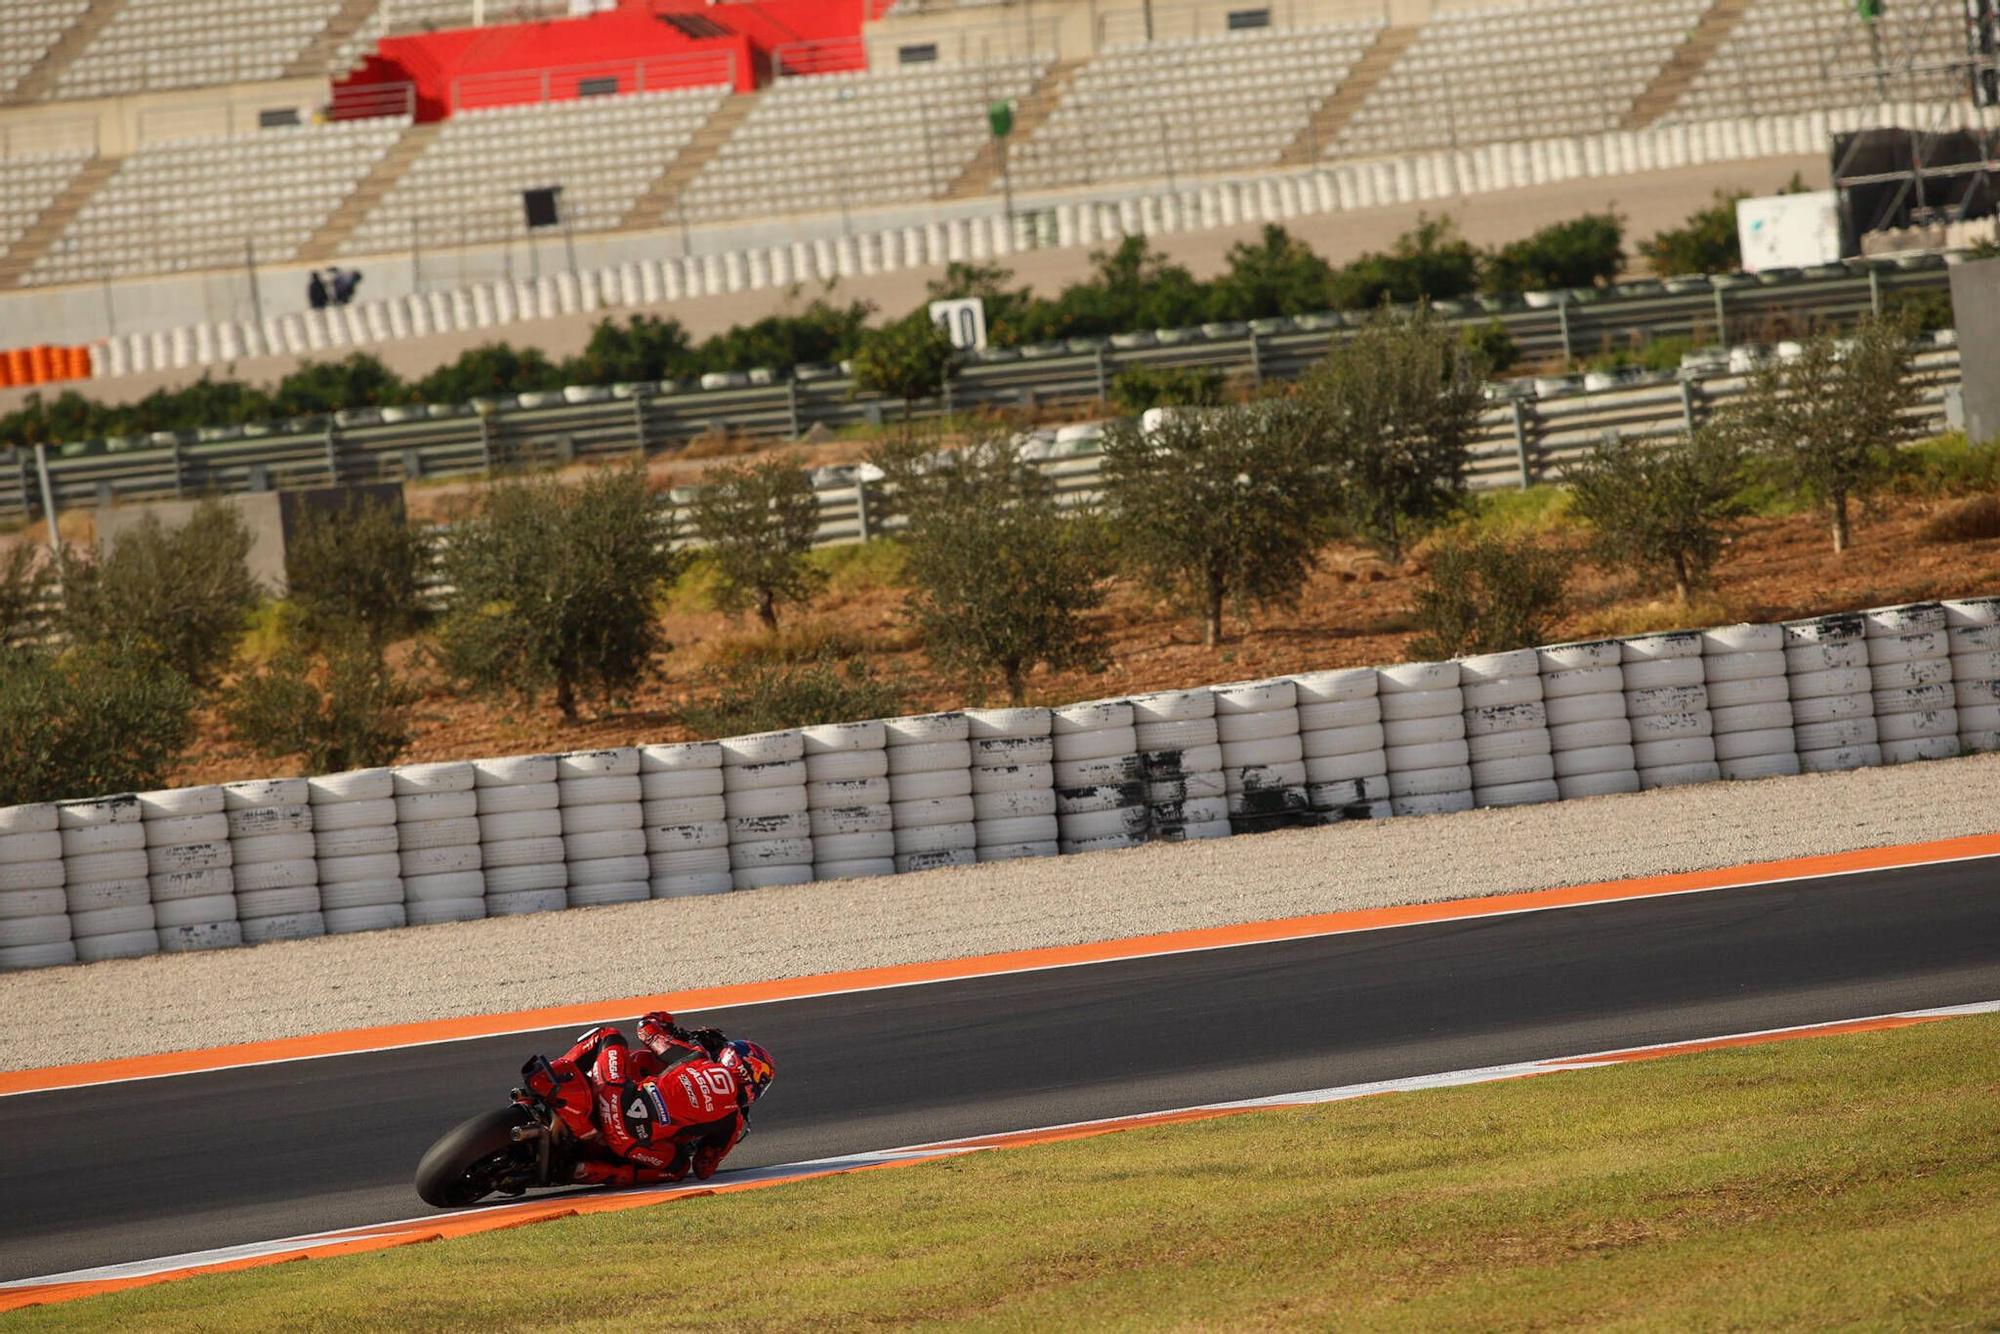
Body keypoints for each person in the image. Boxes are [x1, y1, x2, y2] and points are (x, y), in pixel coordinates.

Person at [520, 1011, 775, 1188]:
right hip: (628, 1141)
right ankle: (589, 1170)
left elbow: (646, 1029)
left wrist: (662, 1020)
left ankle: (552, 1078)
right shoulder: (733, 1122)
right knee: (677, 1169)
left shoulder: (695, 1057)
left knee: (608, 1034)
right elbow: (703, 1168)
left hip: (613, 1095)